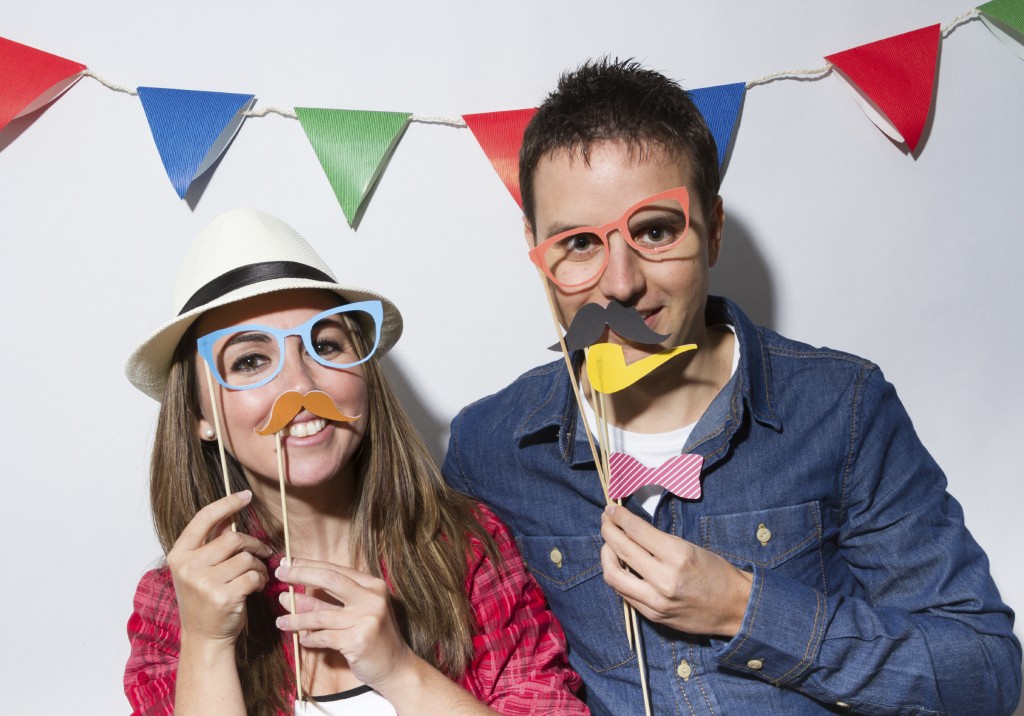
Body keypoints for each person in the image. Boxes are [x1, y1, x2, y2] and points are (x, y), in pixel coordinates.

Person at [442, 58, 1022, 714]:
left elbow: (985, 671)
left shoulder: (841, 409)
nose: (622, 283)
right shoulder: (490, 450)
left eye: (655, 230)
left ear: (712, 230)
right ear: (537, 251)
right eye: (579, 243)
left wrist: (744, 608)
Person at [123, 209, 588, 716]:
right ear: (199, 414)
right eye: (251, 361)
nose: (301, 386)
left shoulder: (468, 550)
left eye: (325, 346)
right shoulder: (174, 603)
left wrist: (399, 671)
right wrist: (208, 646)